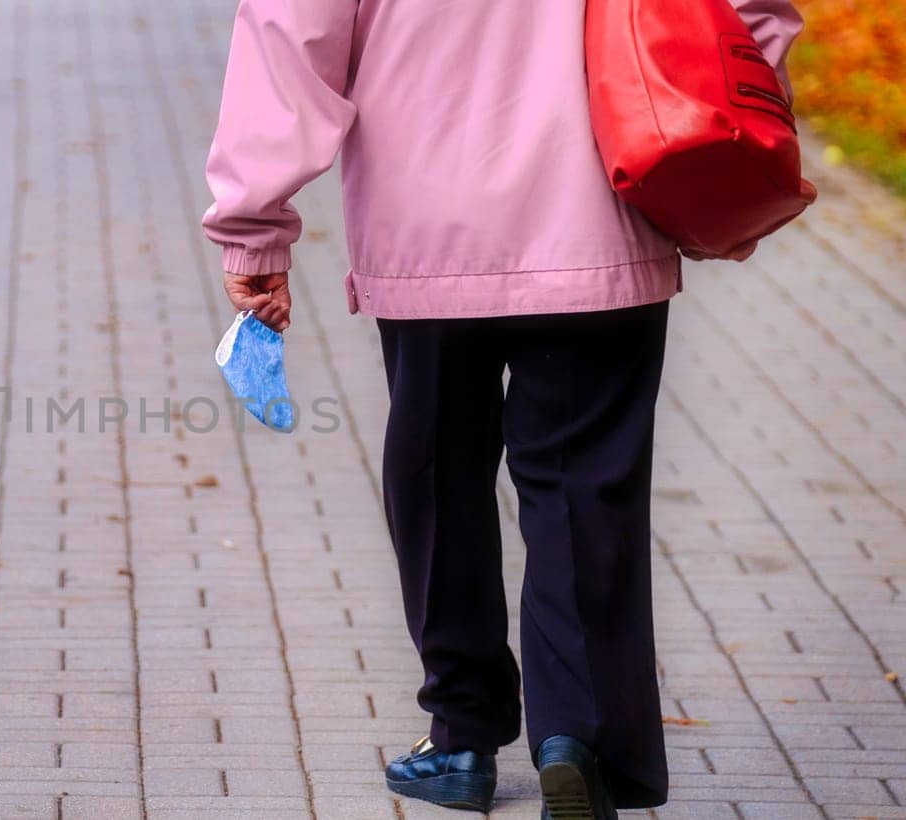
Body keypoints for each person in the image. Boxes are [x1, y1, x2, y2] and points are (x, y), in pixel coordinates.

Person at [202, 0, 803, 816]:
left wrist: (254, 226)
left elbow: (291, 34)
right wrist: (732, 140)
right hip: (604, 205)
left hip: (427, 226)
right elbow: (750, 13)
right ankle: (577, 741)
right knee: (582, 484)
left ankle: (462, 736)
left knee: (437, 471)